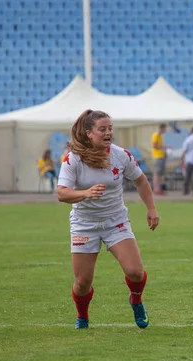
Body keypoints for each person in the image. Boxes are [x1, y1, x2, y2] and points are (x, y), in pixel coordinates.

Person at [57, 109, 160, 329]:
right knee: (83, 282)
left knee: (135, 271)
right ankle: (82, 316)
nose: (108, 133)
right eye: (102, 129)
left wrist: (151, 209)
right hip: (84, 224)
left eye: (110, 128)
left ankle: (136, 300)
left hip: (115, 220)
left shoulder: (121, 155)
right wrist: (84, 193)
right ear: (88, 133)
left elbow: (141, 181)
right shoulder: (73, 158)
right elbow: (62, 193)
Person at [151, 123, 168, 195]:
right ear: (162, 128)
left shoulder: (160, 136)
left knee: (160, 174)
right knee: (157, 174)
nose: (166, 130)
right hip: (158, 156)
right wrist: (163, 147)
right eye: (165, 128)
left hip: (161, 156)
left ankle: (159, 189)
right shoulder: (156, 135)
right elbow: (154, 146)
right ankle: (156, 189)